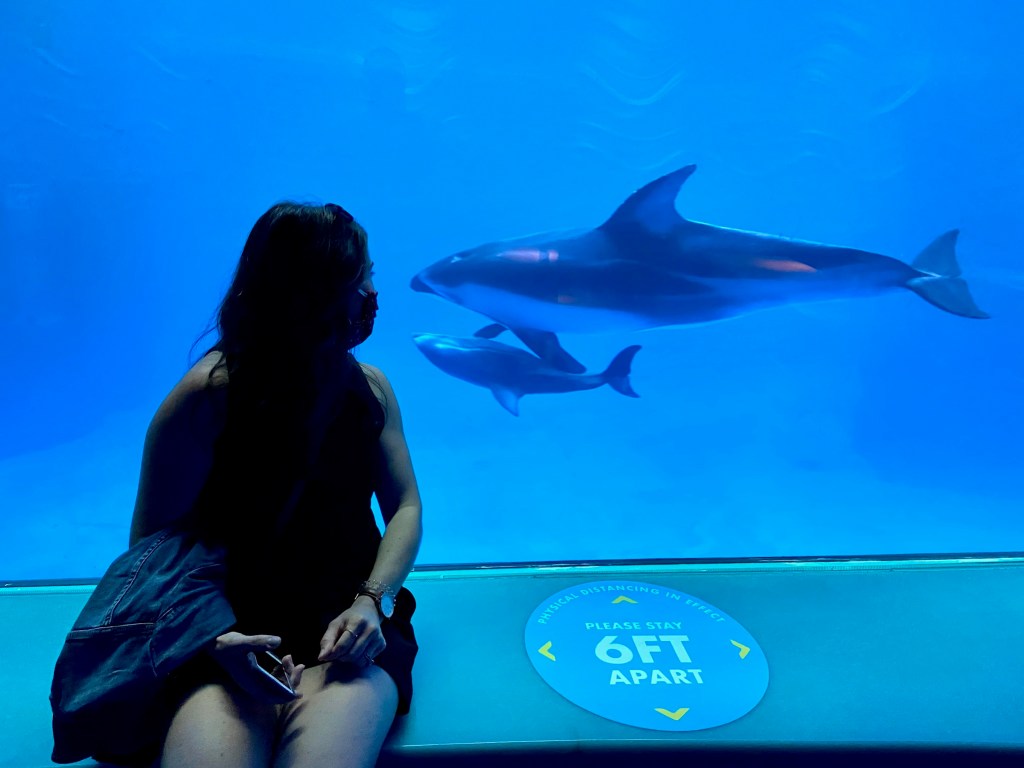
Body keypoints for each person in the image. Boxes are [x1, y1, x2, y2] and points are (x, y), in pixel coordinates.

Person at [128, 202, 423, 768]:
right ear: (312, 292)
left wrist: (372, 601)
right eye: (362, 279)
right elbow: (148, 552)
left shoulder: (370, 388)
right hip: (222, 632)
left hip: (350, 628)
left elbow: (405, 507)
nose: (371, 294)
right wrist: (213, 643)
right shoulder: (205, 396)